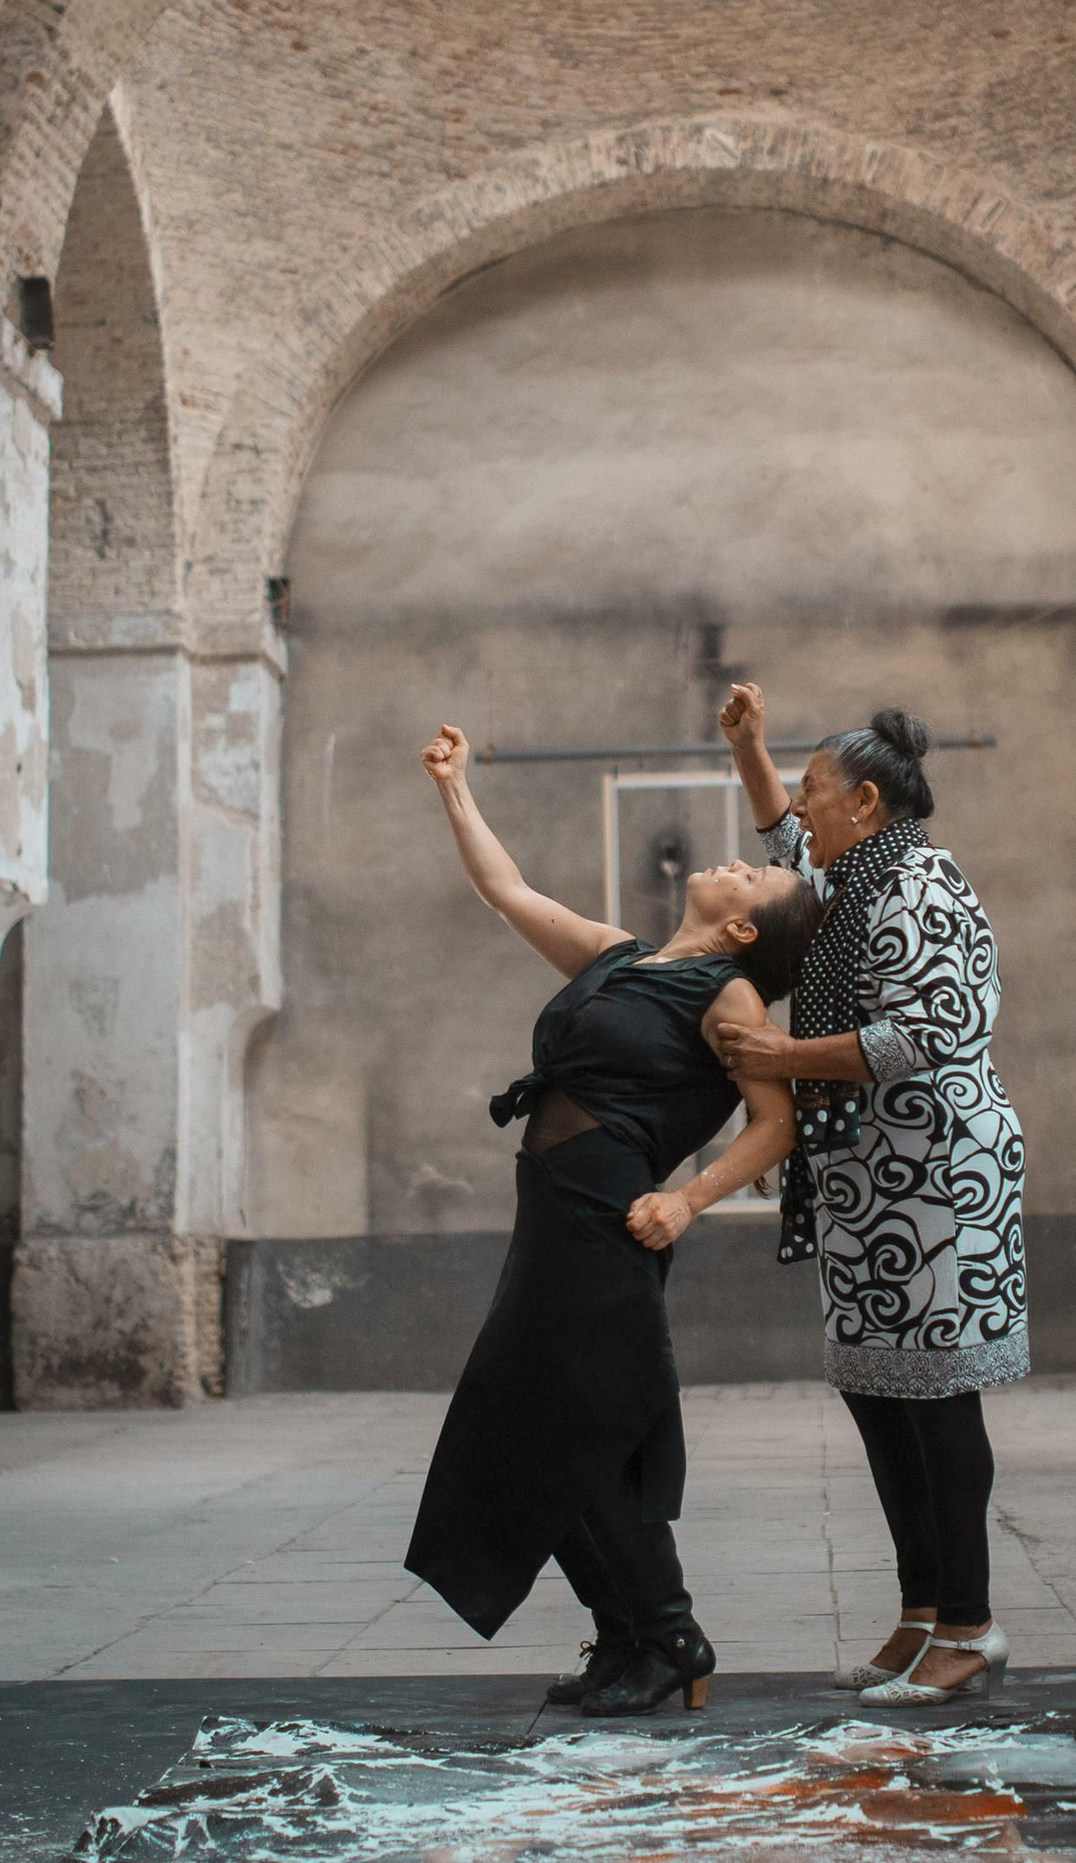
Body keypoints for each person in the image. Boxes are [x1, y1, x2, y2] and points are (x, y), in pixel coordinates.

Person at [404, 724, 819, 1717]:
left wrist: (687, 1198)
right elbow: (508, 891)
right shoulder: (624, 958)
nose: (734, 863)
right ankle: (629, 1633)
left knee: (577, 1429)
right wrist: (456, 787)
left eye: (753, 878)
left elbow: (777, 1124)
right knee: (534, 1428)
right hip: (552, 1220)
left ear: (745, 932)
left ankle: (671, 1633)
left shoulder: (727, 996)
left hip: (605, 1227)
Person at [717, 685, 1028, 1705]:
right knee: (876, 1389)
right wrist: (753, 749)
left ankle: (971, 1625)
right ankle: (920, 1611)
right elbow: (781, 843)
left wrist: (777, 1052)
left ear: (863, 799)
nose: (797, 809)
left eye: (813, 790)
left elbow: (921, 1036)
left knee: (936, 1397)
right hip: (863, 1176)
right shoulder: (848, 879)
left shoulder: (920, 888)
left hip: (935, 1172)